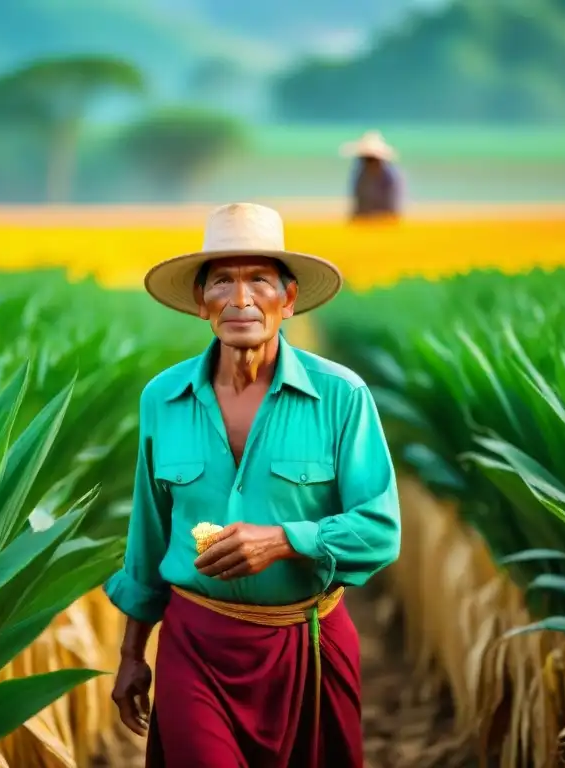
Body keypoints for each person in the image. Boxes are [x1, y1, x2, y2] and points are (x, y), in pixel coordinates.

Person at [104, 202, 401, 767]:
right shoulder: (162, 400)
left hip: (306, 642)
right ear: (201, 303)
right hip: (196, 644)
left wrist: (286, 540)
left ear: (288, 300)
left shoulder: (341, 396)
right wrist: (132, 652)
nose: (241, 299)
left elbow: (381, 530)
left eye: (259, 281)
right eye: (222, 283)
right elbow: (147, 537)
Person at [339, 130, 403, 220]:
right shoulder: (361, 174)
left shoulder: (390, 176)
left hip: (384, 218)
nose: (367, 162)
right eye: (365, 159)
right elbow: (358, 201)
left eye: (370, 159)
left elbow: (393, 204)